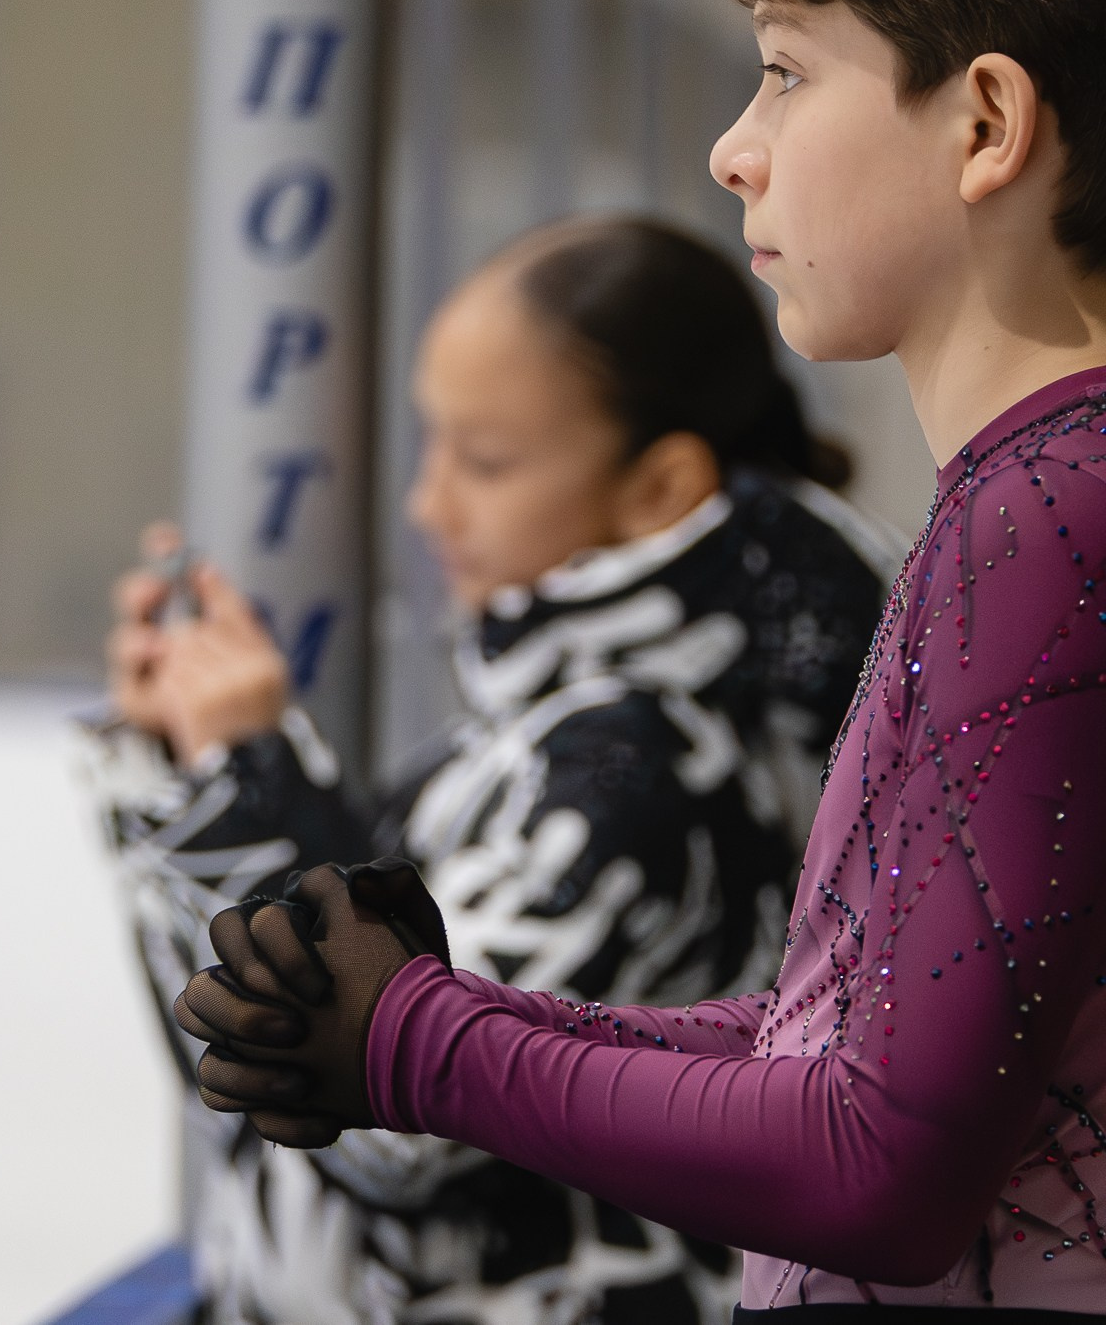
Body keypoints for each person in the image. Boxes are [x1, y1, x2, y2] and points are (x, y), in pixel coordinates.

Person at [173, 0, 1106, 1320]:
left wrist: (420, 1041)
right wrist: (434, 1015)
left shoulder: (1055, 526)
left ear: (985, 124)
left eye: (787, 68)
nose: (735, 147)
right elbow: (837, 1044)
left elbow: (879, 1166)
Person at [86, 216, 902, 1325]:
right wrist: (189, 767)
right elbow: (239, 1059)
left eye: (485, 460)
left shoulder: (643, 766)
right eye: (432, 443)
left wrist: (242, 783)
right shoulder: (578, 712)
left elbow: (385, 1124)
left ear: (658, 485)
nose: (429, 502)